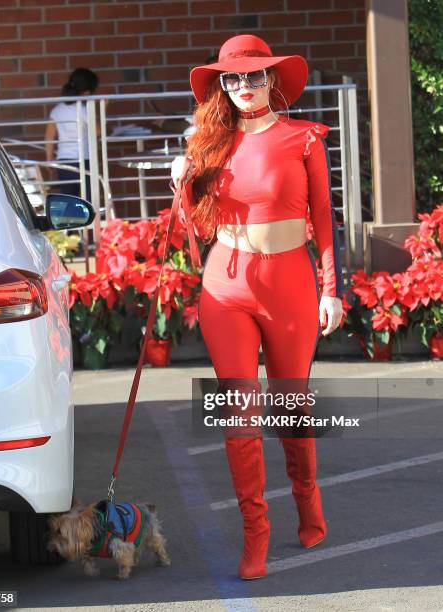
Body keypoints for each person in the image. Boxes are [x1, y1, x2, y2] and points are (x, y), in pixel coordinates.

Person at [171, 34, 344, 580]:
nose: (243, 87)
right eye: (232, 78)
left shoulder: (305, 138)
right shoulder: (210, 143)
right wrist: (182, 184)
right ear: (221, 85)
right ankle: (255, 536)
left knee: (293, 407)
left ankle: (308, 503)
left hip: (290, 281)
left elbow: (323, 219)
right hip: (226, 285)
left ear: (271, 79)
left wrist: (331, 288)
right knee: (238, 415)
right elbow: (190, 229)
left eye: (252, 76)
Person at [45, 68, 99, 202]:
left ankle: (70, 223)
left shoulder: (57, 110)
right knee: (89, 200)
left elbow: (49, 136)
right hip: (84, 159)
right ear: (87, 92)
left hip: (64, 161)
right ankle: (89, 223)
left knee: (69, 199)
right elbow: (98, 131)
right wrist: (103, 110)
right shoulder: (84, 110)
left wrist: (49, 159)